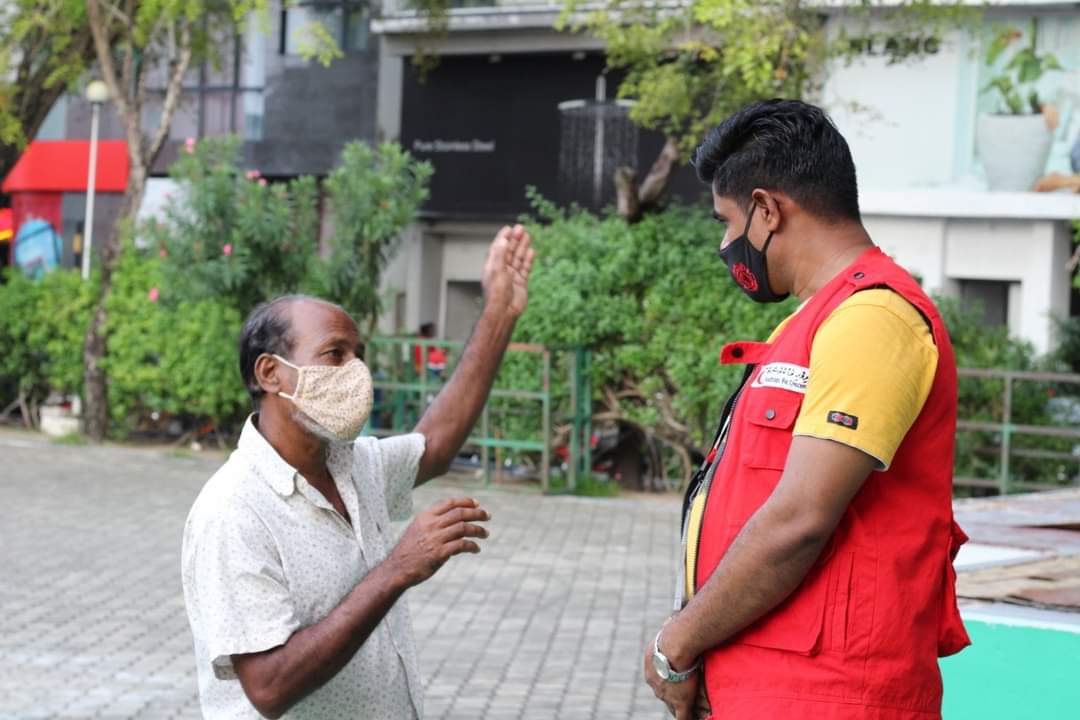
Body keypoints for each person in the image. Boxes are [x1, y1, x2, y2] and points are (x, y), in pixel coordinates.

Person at [643, 99, 970, 720]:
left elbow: (799, 518)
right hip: (772, 686)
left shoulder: (874, 318)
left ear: (767, 211)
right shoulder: (816, 321)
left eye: (727, 220)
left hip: (831, 695)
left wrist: (675, 643)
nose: (725, 243)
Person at [181, 225, 534, 719]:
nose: (356, 373)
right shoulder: (232, 511)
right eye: (335, 355)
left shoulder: (352, 462)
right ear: (270, 373)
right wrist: (397, 567)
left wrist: (498, 313)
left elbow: (435, 444)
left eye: (359, 356)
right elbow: (268, 685)